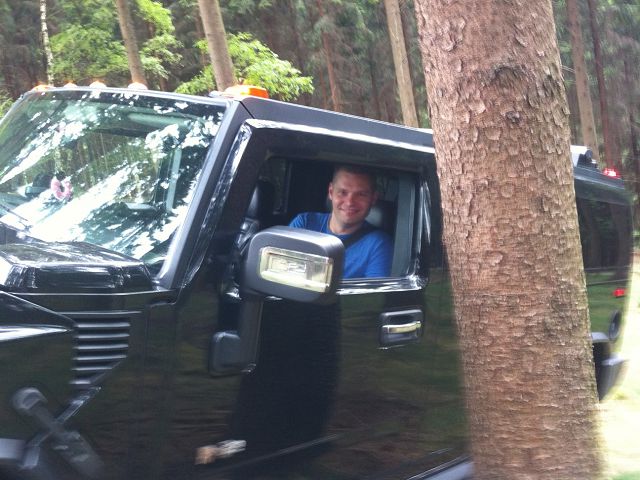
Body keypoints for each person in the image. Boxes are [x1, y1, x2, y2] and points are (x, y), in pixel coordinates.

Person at [289, 165, 392, 279]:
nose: (350, 202)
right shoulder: (304, 224)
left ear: (373, 199)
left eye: (361, 194)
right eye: (343, 192)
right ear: (331, 192)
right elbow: (283, 271)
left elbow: (373, 290)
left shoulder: (378, 244)